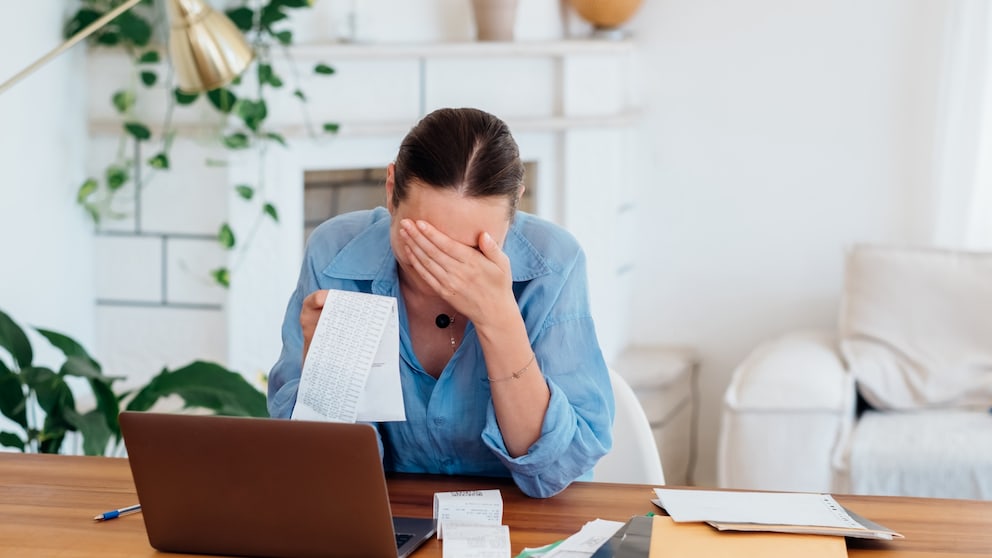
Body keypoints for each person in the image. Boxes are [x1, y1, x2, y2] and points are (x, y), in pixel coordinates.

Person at [267, 107, 613, 498]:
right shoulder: (335, 255)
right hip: (388, 522)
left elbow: (557, 468)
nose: (442, 269)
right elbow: (327, 476)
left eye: (472, 250)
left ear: (515, 204)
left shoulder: (554, 264)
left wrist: (498, 319)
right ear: (391, 187)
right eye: (422, 241)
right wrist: (327, 377)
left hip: (527, 527)